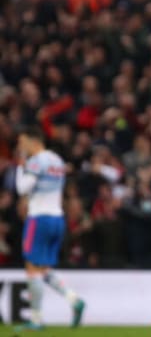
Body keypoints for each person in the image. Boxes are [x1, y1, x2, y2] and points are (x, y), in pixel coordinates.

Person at [15, 126, 85, 330]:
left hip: (39, 218)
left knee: (32, 268)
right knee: (44, 269)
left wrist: (21, 166)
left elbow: (22, 189)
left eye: (22, 142)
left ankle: (36, 319)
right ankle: (74, 300)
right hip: (57, 218)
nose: (20, 146)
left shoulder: (36, 161)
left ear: (32, 140)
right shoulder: (57, 160)